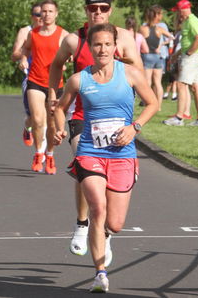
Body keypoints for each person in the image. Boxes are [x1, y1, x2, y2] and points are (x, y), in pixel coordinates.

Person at [54, 23, 158, 292]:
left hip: (122, 154)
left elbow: (153, 103)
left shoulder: (130, 74)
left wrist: (134, 127)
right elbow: (61, 106)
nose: (102, 49)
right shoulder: (79, 79)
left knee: (115, 223)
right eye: (97, 44)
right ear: (90, 47)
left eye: (107, 44)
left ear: (115, 47)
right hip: (90, 152)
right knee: (97, 208)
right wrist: (58, 128)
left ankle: (105, 234)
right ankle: (100, 273)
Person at [49, 0, 143, 259]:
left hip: (115, 119)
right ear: (85, 9)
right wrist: (53, 94)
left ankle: (103, 232)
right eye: (92, 7)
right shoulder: (73, 40)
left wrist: (120, 60)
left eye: (103, 8)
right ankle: (82, 223)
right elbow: (56, 65)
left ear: (110, 10)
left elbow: (138, 71)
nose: (97, 13)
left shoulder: (123, 37)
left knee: (111, 209)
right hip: (81, 116)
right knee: (84, 159)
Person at [20, 0, 69, 174]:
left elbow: (71, 54)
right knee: (38, 120)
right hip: (35, 80)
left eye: (50, 11)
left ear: (56, 13)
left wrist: (66, 61)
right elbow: (25, 49)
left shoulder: (64, 34)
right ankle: (38, 153)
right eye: (44, 11)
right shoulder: (33, 33)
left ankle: (50, 154)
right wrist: (24, 58)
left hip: (55, 85)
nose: (46, 14)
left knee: (52, 125)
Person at [163, 0, 198, 127]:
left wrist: (188, 54)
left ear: (183, 9)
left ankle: (179, 117)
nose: (177, 14)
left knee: (181, 84)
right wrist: (177, 54)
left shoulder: (192, 21)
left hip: (192, 56)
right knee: (195, 86)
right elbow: (189, 41)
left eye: (178, 11)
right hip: (195, 55)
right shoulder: (188, 21)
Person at [11, 2, 43, 147]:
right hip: (31, 77)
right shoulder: (26, 31)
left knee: (47, 116)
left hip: (49, 78)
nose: (41, 17)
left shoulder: (55, 32)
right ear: (32, 17)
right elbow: (14, 55)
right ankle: (27, 126)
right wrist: (26, 51)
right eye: (37, 14)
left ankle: (42, 152)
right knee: (33, 116)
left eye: (44, 13)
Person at [139, 5, 174, 110]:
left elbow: (137, 39)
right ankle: (158, 106)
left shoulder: (142, 28)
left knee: (148, 82)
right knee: (158, 83)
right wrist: (162, 44)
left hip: (147, 56)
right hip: (158, 56)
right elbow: (172, 37)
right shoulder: (160, 29)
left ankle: (147, 103)